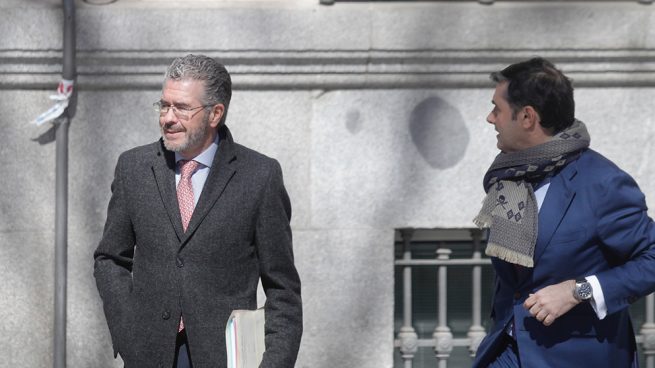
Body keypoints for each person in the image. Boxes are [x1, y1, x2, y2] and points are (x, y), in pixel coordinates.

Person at [94, 54, 302, 368]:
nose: (168, 118)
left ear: (215, 113)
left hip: (224, 358)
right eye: (164, 105)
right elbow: (110, 259)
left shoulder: (260, 176)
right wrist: (127, 333)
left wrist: (272, 363)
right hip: (149, 356)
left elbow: (283, 289)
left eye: (182, 108)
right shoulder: (133, 168)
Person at [472, 57, 655, 367]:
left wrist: (578, 290)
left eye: (497, 109)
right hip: (506, 353)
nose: (491, 118)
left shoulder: (602, 183)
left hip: (576, 358)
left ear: (527, 117)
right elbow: (514, 282)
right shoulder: (509, 177)